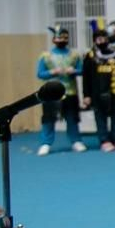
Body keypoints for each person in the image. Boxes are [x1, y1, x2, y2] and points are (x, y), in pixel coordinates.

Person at [35, 25, 86, 155]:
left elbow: (82, 70)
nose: (62, 40)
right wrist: (52, 72)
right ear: (54, 39)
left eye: (64, 38)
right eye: (59, 38)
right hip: (51, 93)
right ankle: (46, 143)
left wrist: (74, 71)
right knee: (48, 118)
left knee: (72, 118)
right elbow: (40, 74)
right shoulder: (46, 56)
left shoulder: (74, 55)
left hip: (70, 92)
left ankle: (76, 141)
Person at [81, 20, 115, 152]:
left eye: (104, 38)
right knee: (100, 117)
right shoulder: (90, 56)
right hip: (98, 92)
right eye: (99, 39)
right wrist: (86, 95)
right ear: (94, 40)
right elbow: (86, 77)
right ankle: (104, 140)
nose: (102, 41)